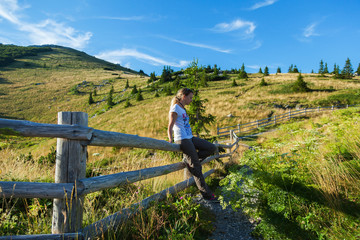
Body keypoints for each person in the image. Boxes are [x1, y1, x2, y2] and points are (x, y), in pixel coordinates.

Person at [167, 88, 217, 200]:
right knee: (197, 168)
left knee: (211, 147)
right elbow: (170, 125)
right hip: (182, 138)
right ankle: (207, 195)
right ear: (183, 96)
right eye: (190, 97)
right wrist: (170, 139)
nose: (191, 100)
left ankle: (190, 159)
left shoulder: (182, 108)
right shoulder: (175, 108)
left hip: (189, 137)